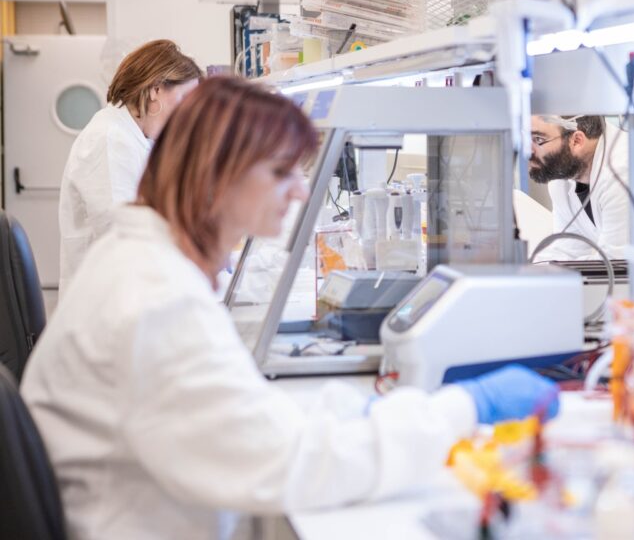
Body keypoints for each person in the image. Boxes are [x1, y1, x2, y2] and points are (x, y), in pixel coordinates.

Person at [22, 76, 559, 540]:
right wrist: (463, 408)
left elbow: (241, 416)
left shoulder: (140, 261)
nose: (301, 190)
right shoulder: (155, 300)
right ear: (217, 176)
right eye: (281, 172)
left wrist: (359, 412)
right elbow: (295, 464)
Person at [58, 39, 201, 292]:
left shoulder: (131, 136)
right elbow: (122, 235)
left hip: (126, 286)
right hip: (108, 297)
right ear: (156, 90)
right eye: (184, 100)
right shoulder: (110, 138)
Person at [529, 114, 630, 261]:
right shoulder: (561, 180)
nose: (528, 151)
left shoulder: (620, 172)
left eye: (538, 140)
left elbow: (617, 262)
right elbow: (566, 252)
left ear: (577, 140)